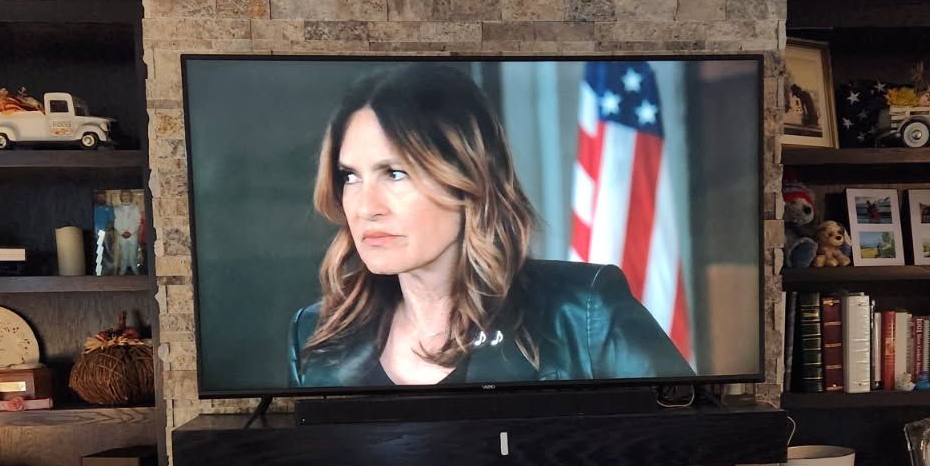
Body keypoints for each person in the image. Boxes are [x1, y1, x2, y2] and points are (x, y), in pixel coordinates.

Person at [288, 63, 693, 388]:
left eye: (395, 173)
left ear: (468, 177)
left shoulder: (582, 314)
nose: (365, 208)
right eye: (350, 177)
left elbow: (697, 434)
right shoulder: (316, 335)